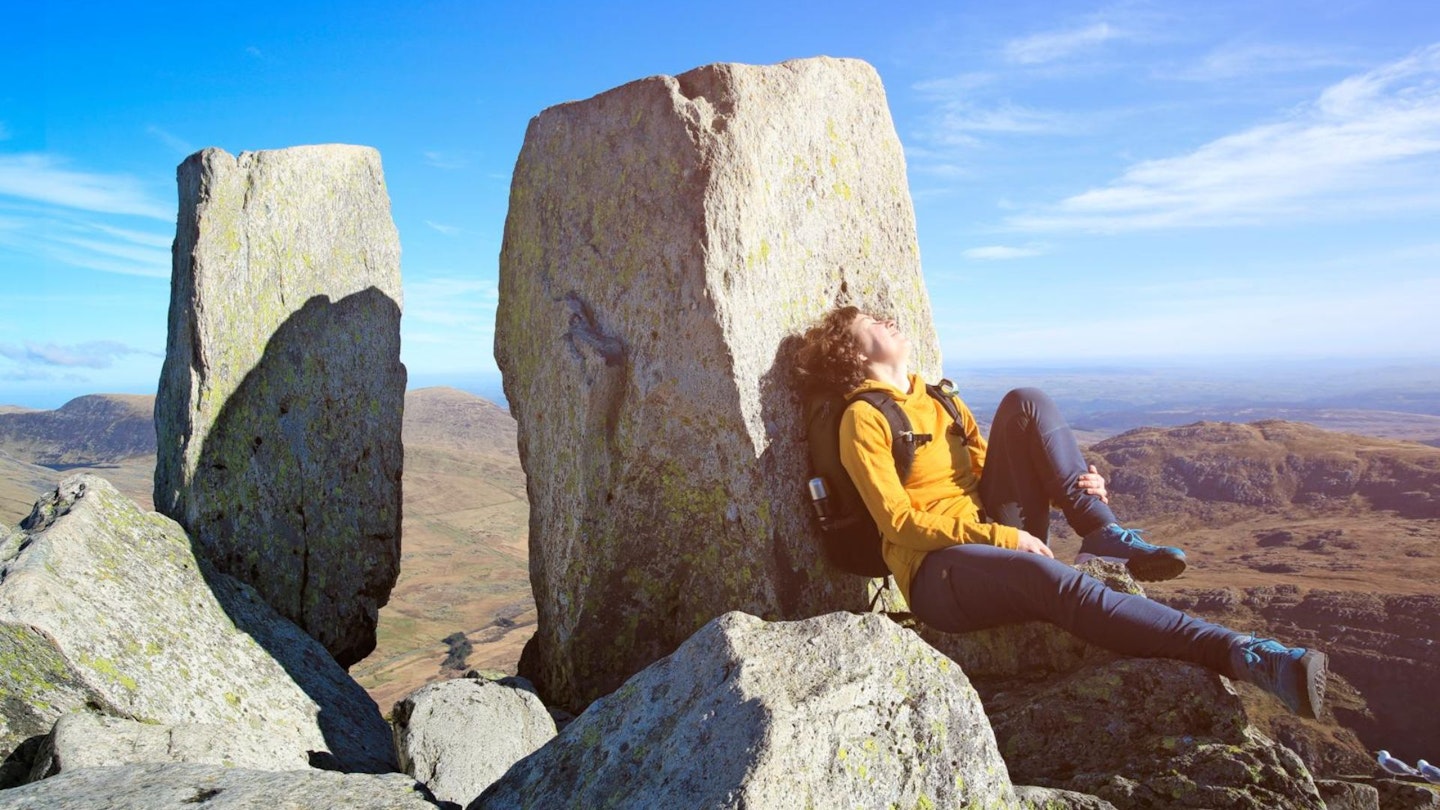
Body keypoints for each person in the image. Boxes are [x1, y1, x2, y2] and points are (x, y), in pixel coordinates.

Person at [793, 305, 1328, 718]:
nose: (887, 318)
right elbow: (897, 522)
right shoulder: (863, 419)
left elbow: (987, 477)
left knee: (1026, 399)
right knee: (1049, 580)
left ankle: (1102, 531)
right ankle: (1244, 654)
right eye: (870, 322)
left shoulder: (939, 400)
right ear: (853, 354)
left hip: (986, 530)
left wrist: (1073, 482)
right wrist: (1007, 540)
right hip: (938, 571)